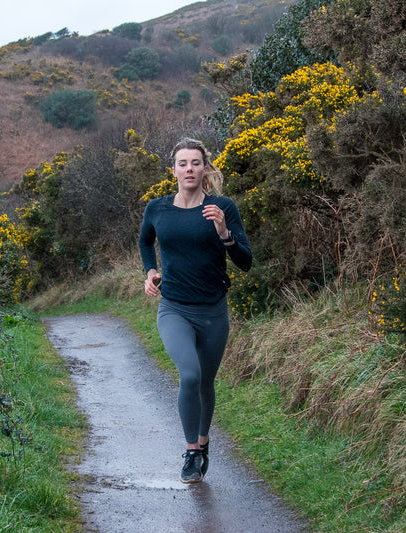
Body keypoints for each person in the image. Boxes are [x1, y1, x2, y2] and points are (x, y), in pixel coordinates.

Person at [138, 137, 252, 483]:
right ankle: (191, 452)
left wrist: (224, 232)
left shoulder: (223, 207)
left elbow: (245, 262)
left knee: (206, 382)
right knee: (189, 375)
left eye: (196, 163)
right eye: (183, 163)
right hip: (174, 308)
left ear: (205, 168)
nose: (189, 169)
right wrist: (150, 270)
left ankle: (203, 443)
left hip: (213, 311)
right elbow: (145, 240)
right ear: (173, 170)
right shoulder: (157, 209)